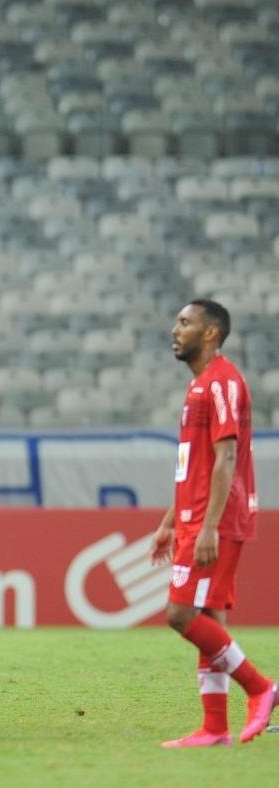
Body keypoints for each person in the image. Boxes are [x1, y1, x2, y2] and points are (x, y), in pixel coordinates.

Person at [148, 299, 275, 747]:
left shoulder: (222, 382)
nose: (175, 329)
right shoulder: (201, 385)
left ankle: (261, 688)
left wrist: (207, 528)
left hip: (213, 521)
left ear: (210, 333)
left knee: (181, 615)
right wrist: (170, 521)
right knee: (209, 619)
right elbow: (197, 466)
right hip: (197, 517)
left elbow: (227, 458)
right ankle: (215, 727)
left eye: (185, 322)